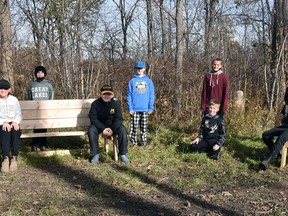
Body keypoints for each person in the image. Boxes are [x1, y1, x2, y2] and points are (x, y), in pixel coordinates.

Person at [88, 85, 130, 164]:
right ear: (101, 94)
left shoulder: (116, 104)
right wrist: (103, 129)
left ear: (112, 95)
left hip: (112, 125)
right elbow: (93, 118)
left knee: (123, 129)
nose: (106, 96)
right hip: (99, 125)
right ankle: (95, 154)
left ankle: (122, 154)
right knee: (91, 130)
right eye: (104, 94)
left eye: (109, 94)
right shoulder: (95, 104)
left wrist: (112, 129)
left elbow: (119, 119)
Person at [127, 60, 155, 146]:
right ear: (135, 69)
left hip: (145, 109)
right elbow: (129, 95)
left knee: (144, 127)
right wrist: (130, 108)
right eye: (137, 68)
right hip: (134, 109)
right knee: (134, 127)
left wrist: (150, 107)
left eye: (141, 68)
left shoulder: (149, 81)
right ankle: (133, 142)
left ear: (144, 69)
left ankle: (143, 143)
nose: (139, 70)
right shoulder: (132, 81)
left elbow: (151, 95)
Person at [259, 88, 288, 170]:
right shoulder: (286, 104)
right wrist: (281, 115)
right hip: (283, 126)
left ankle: (266, 162)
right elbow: (283, 112)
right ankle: (276, 154)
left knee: (281, 138)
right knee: (266, 135)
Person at [28, 65, 54, 151]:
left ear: (44, 74)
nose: (39, 74)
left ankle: (43, 144)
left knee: (43, 126)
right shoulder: (32, 85)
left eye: (41, 72)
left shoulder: (48, 85)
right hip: (35, 109)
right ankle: (34, 144)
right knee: (36, 127)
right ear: (36, 74)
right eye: (38, 72)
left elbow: (51, 97)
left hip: (45, 109)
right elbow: (29, 97)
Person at [0, 79, 22, 172]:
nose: (2, 90)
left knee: (15, 130)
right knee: (5, 130)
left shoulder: (14, 100)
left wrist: (16, 122)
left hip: (13, 122)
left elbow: (18, 114)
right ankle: (5, 158)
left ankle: (14, 157)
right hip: (1, 124)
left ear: (9, 90)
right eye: (0, 88)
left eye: (5, 88)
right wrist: (3, 122)